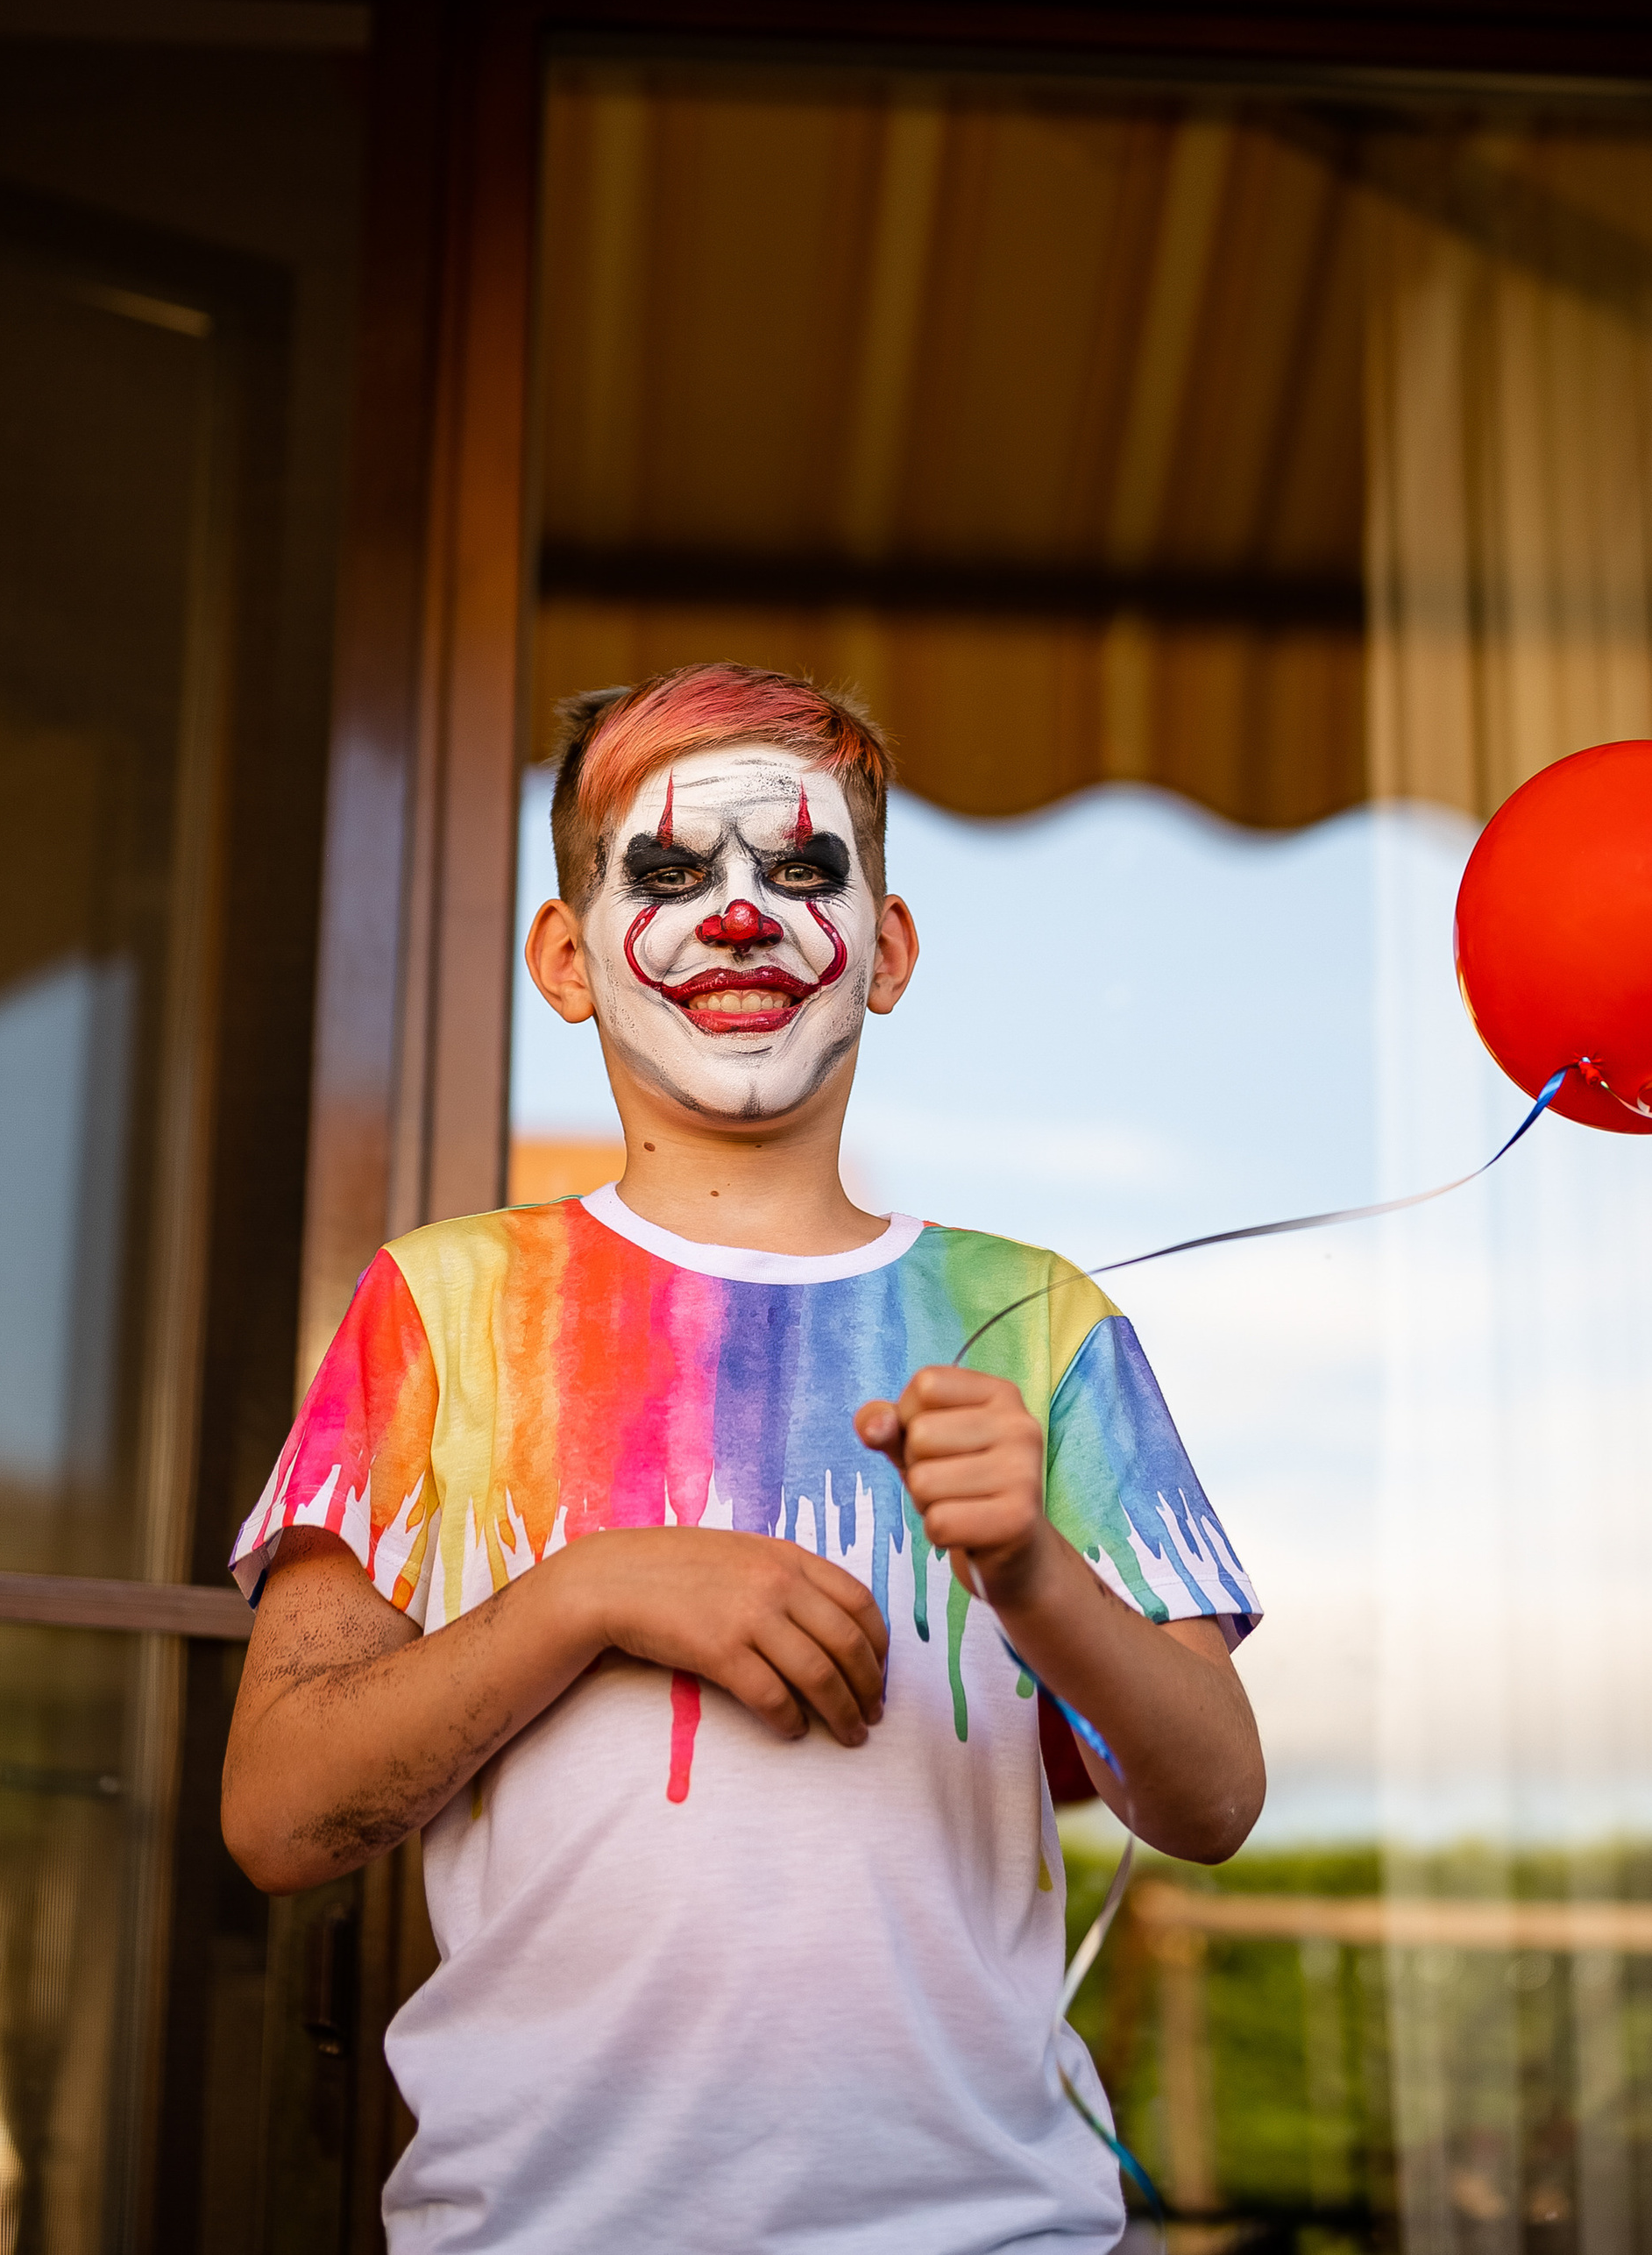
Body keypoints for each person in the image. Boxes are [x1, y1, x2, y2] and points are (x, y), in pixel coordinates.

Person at [223, 662, 1264, 2252]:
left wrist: (1036, 1574)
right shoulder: (441, 1302)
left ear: (889, 949)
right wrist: (594, 1592)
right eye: (666, 871)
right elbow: (280, 1813)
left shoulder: (1036, 1319)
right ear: (564, 960)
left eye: (800, 869)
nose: (734, 917)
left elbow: (1211, 1797)